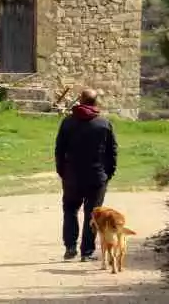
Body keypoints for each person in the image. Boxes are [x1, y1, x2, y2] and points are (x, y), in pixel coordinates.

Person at [53, 88, 118, 261]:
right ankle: (87, 252)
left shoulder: (67, 122)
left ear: (80, 101)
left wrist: (62, 171)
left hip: (72, 176)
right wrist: (108, 173)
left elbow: (59, 150)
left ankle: (70, 247)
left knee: (70, 210)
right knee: (93, 214)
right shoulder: (103, 124)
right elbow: (112, 152)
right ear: (96, 103)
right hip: (96, 177)